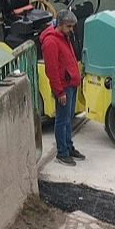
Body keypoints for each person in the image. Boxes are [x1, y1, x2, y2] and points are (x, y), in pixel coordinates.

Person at [39, 10, 85, 166]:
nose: (72, 29)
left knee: (67, 119)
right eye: (69, 26)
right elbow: (51, 70)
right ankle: (62, 152)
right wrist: (59, 92)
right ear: (59, 25)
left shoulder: (64, 36)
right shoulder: (51, 42)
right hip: (64, 88)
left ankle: (68, 147)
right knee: (62, 120)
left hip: (70, 84)